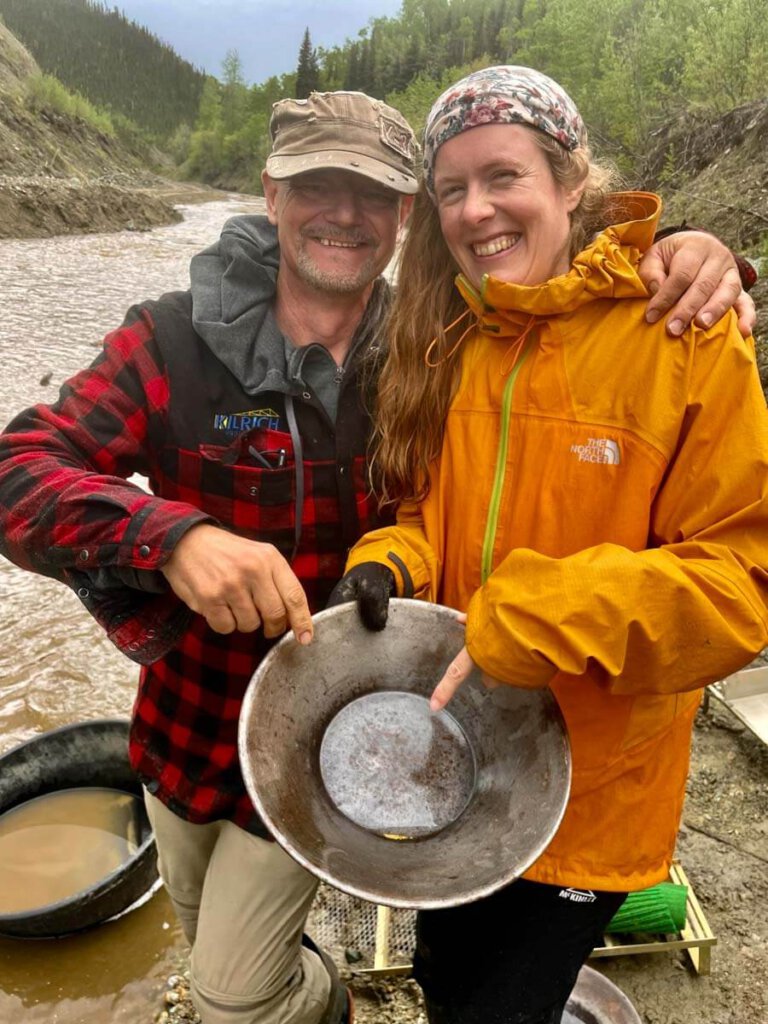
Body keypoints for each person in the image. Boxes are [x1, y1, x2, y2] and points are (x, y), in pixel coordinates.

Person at [0, 86, 756, 1024]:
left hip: (353, 740)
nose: (344, 215)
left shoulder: (428, 345)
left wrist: (690, 246)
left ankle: (313, 1000)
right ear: (271, 194)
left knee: (236, 997)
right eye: (317, 184)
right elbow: (17, 472)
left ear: (404, 219)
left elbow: (730, 566)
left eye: (374, 194)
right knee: (219, 945)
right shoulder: (169, 341)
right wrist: (173, 536)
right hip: (188, 727)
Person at [329, 67, 768, 1024]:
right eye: (451, 189)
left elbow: (741, 589)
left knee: (508, 1005)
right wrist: (392, 562)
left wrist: (536, 614)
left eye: (504, 176)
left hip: (591, 796)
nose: (476, 210)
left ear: (572, 181)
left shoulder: (683, 335)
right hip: (451, 767)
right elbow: (428, 517)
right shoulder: (449, 335)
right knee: (450, 979)